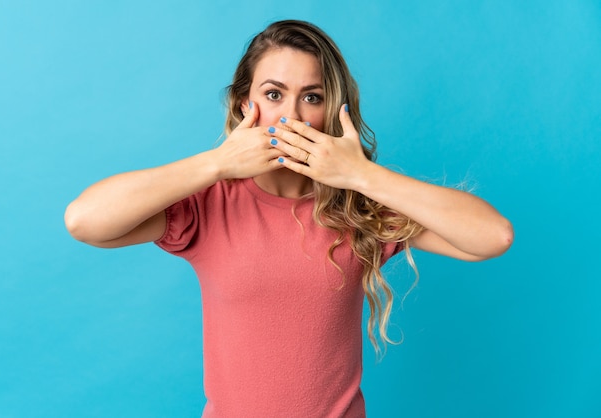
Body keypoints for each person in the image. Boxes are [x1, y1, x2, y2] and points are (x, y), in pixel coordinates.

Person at [65, 20, 513, 418]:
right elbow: (84, 221)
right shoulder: (208, 204)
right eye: (274, 94)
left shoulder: (357, 209)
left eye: (311, 97)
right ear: (245, 105)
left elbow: (492, 236)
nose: (292, 116)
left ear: (330, 110)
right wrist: (216, 164)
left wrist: (362, 175)